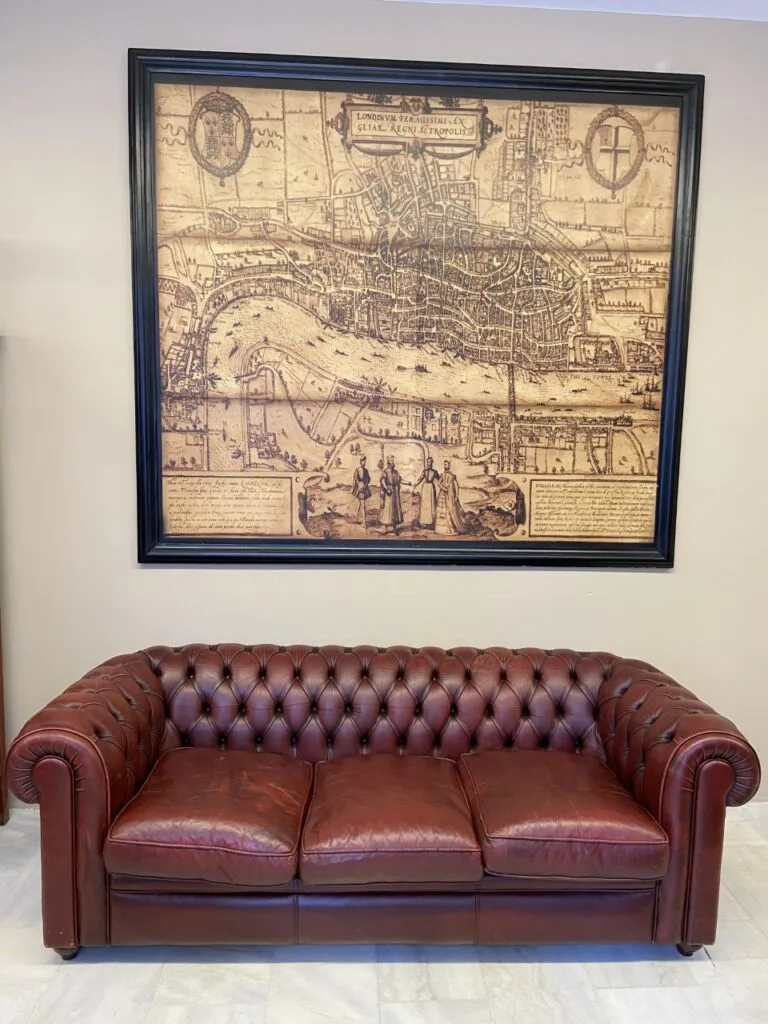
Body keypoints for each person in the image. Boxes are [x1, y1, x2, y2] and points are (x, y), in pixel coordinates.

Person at [435, 460, 467, 535]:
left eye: (446, 464)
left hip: (450, 495)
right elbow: (439, 484)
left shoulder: (452, 476)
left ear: (449, 466)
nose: (445, 466)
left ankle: (451, 529)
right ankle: (441, 530)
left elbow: (456, 486)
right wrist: (444, 489)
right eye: (444, 464)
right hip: (442, 495)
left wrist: (456, 495)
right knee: (443, 510)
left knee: (450, 510)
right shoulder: (442, 475)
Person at [379, 455, 404, 534]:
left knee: (395, 510)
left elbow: (400, 479)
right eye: (391, 460)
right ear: (388, 461)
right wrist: (387, 489)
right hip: (388, 493)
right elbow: (382, 481)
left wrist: (408, 483)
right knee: (387, 510)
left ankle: (394, 528)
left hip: (395, 492)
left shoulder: (395, 472)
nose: (392, 462)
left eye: (393, 460)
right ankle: (385, 528)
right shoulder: (385, 471)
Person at [413, 456, 439, 529]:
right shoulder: (424, 471)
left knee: (431, 505)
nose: (429, 463)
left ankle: (430, 523)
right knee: (424, 505)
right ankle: (423, 522)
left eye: (430, 462)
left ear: (432, 463)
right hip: (425, 489)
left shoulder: (435, 472)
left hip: (431, 489)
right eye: (428, 462)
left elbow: (440, 480)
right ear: (427, 463)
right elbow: (420, 479)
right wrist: (415, 484)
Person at [351, 455, 371, 525]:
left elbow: (368, 479)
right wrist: (359, 485)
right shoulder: (357, 470)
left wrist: (365, 484)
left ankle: (360, 519)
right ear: (360, 462)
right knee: (362, 504)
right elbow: (355, 479)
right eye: (363, 461)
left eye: (365, 461)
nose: (364, 462)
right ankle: (362, 520)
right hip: (359, 489)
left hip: (364, 489)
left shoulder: (366, 470)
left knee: (362, 504)